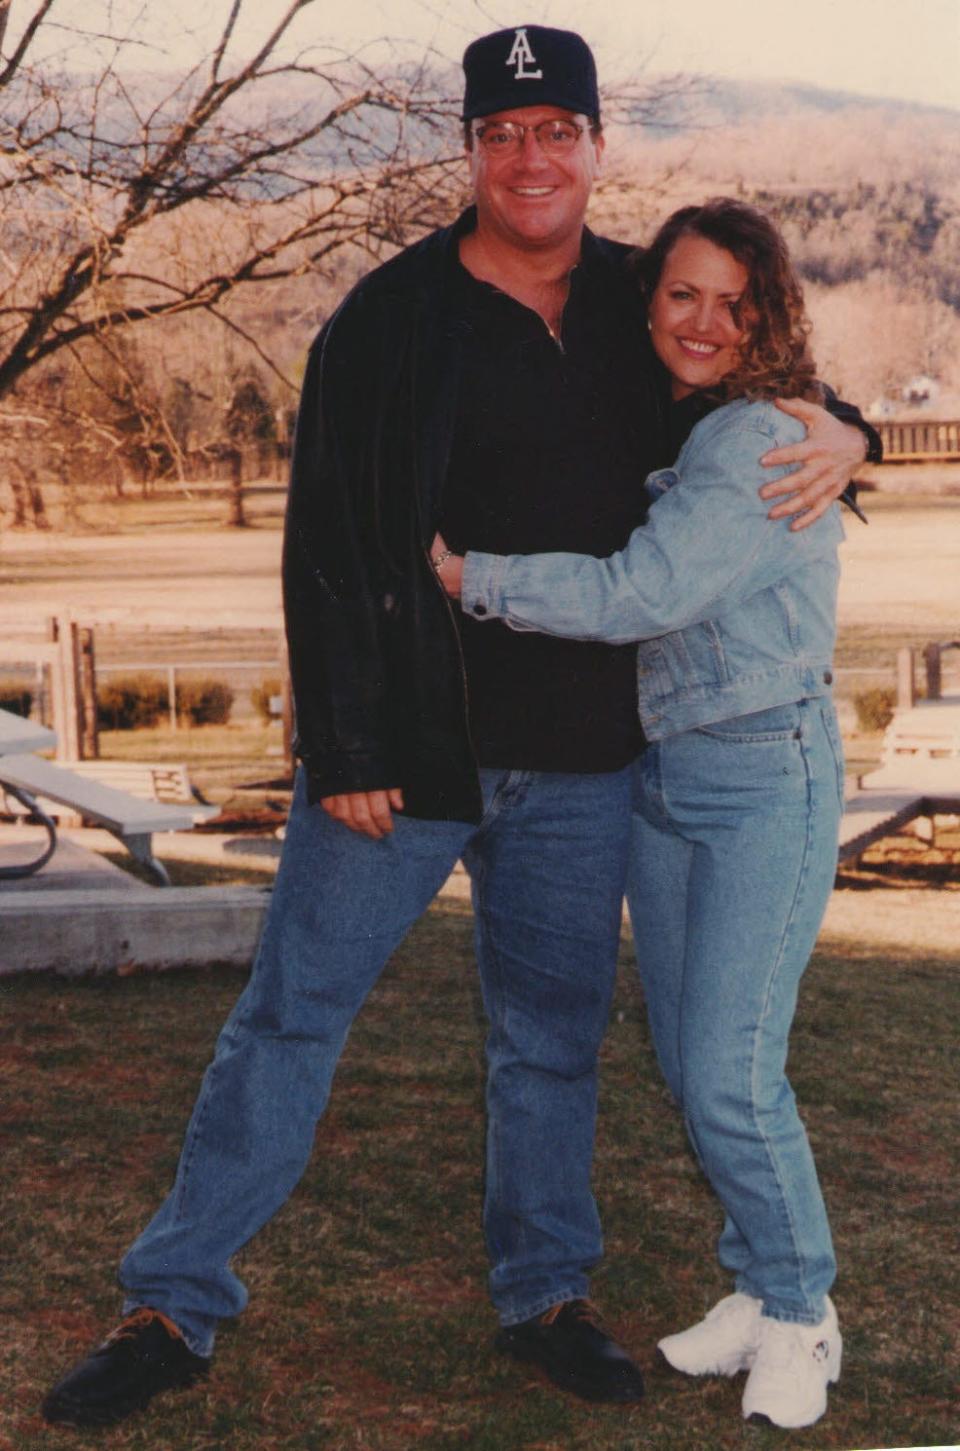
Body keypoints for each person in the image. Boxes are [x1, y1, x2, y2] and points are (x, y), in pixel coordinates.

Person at [41, 29, 876, 1429]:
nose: (532, 155)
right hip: (410, 759)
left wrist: (845, 425)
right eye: (504, 131)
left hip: (587, 762)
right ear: (469, 150)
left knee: (546, 1040)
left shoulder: (635, 297)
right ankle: (172, 1301)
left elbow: (754, 390)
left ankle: (544, 1293)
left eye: (559, 129)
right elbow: (325, 546)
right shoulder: (388, 320)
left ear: (597, 147)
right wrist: (349, 748)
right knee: (289, 1016)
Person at [431, 198, 850, 1430]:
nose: (707, 320)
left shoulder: (754, 441)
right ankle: (755, 1276)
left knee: (730, 1069)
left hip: (762, 771)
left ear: (770, 314)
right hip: (672, 772)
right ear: (647, 302)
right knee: (693, 1058)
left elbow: (642, 590)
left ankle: (801, 1312)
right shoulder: (698, 422)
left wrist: (474, 576)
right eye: (683, 294)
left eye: (737, 300)